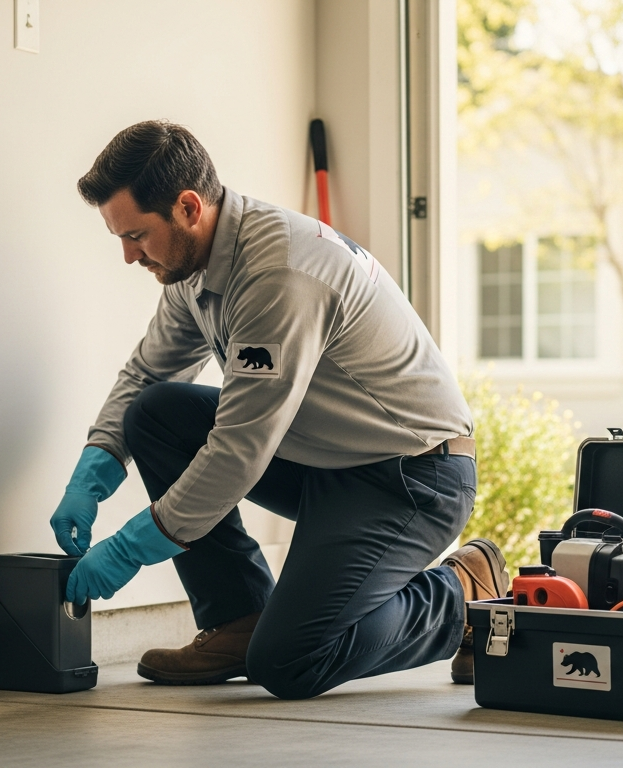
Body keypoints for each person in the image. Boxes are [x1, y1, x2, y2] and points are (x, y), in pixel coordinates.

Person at [51, 120, 510, 699]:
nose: (127, 255)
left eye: (137, 235)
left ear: (189, 207)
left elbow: (239, 448)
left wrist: (133, 546)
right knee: (156, 412)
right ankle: (238, 620)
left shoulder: (276, 274)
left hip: (411, 476)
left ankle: (460, 595)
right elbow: (150, 371)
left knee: (291, 662)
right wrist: (96, 463)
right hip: (324, 461)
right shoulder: (192, 268)